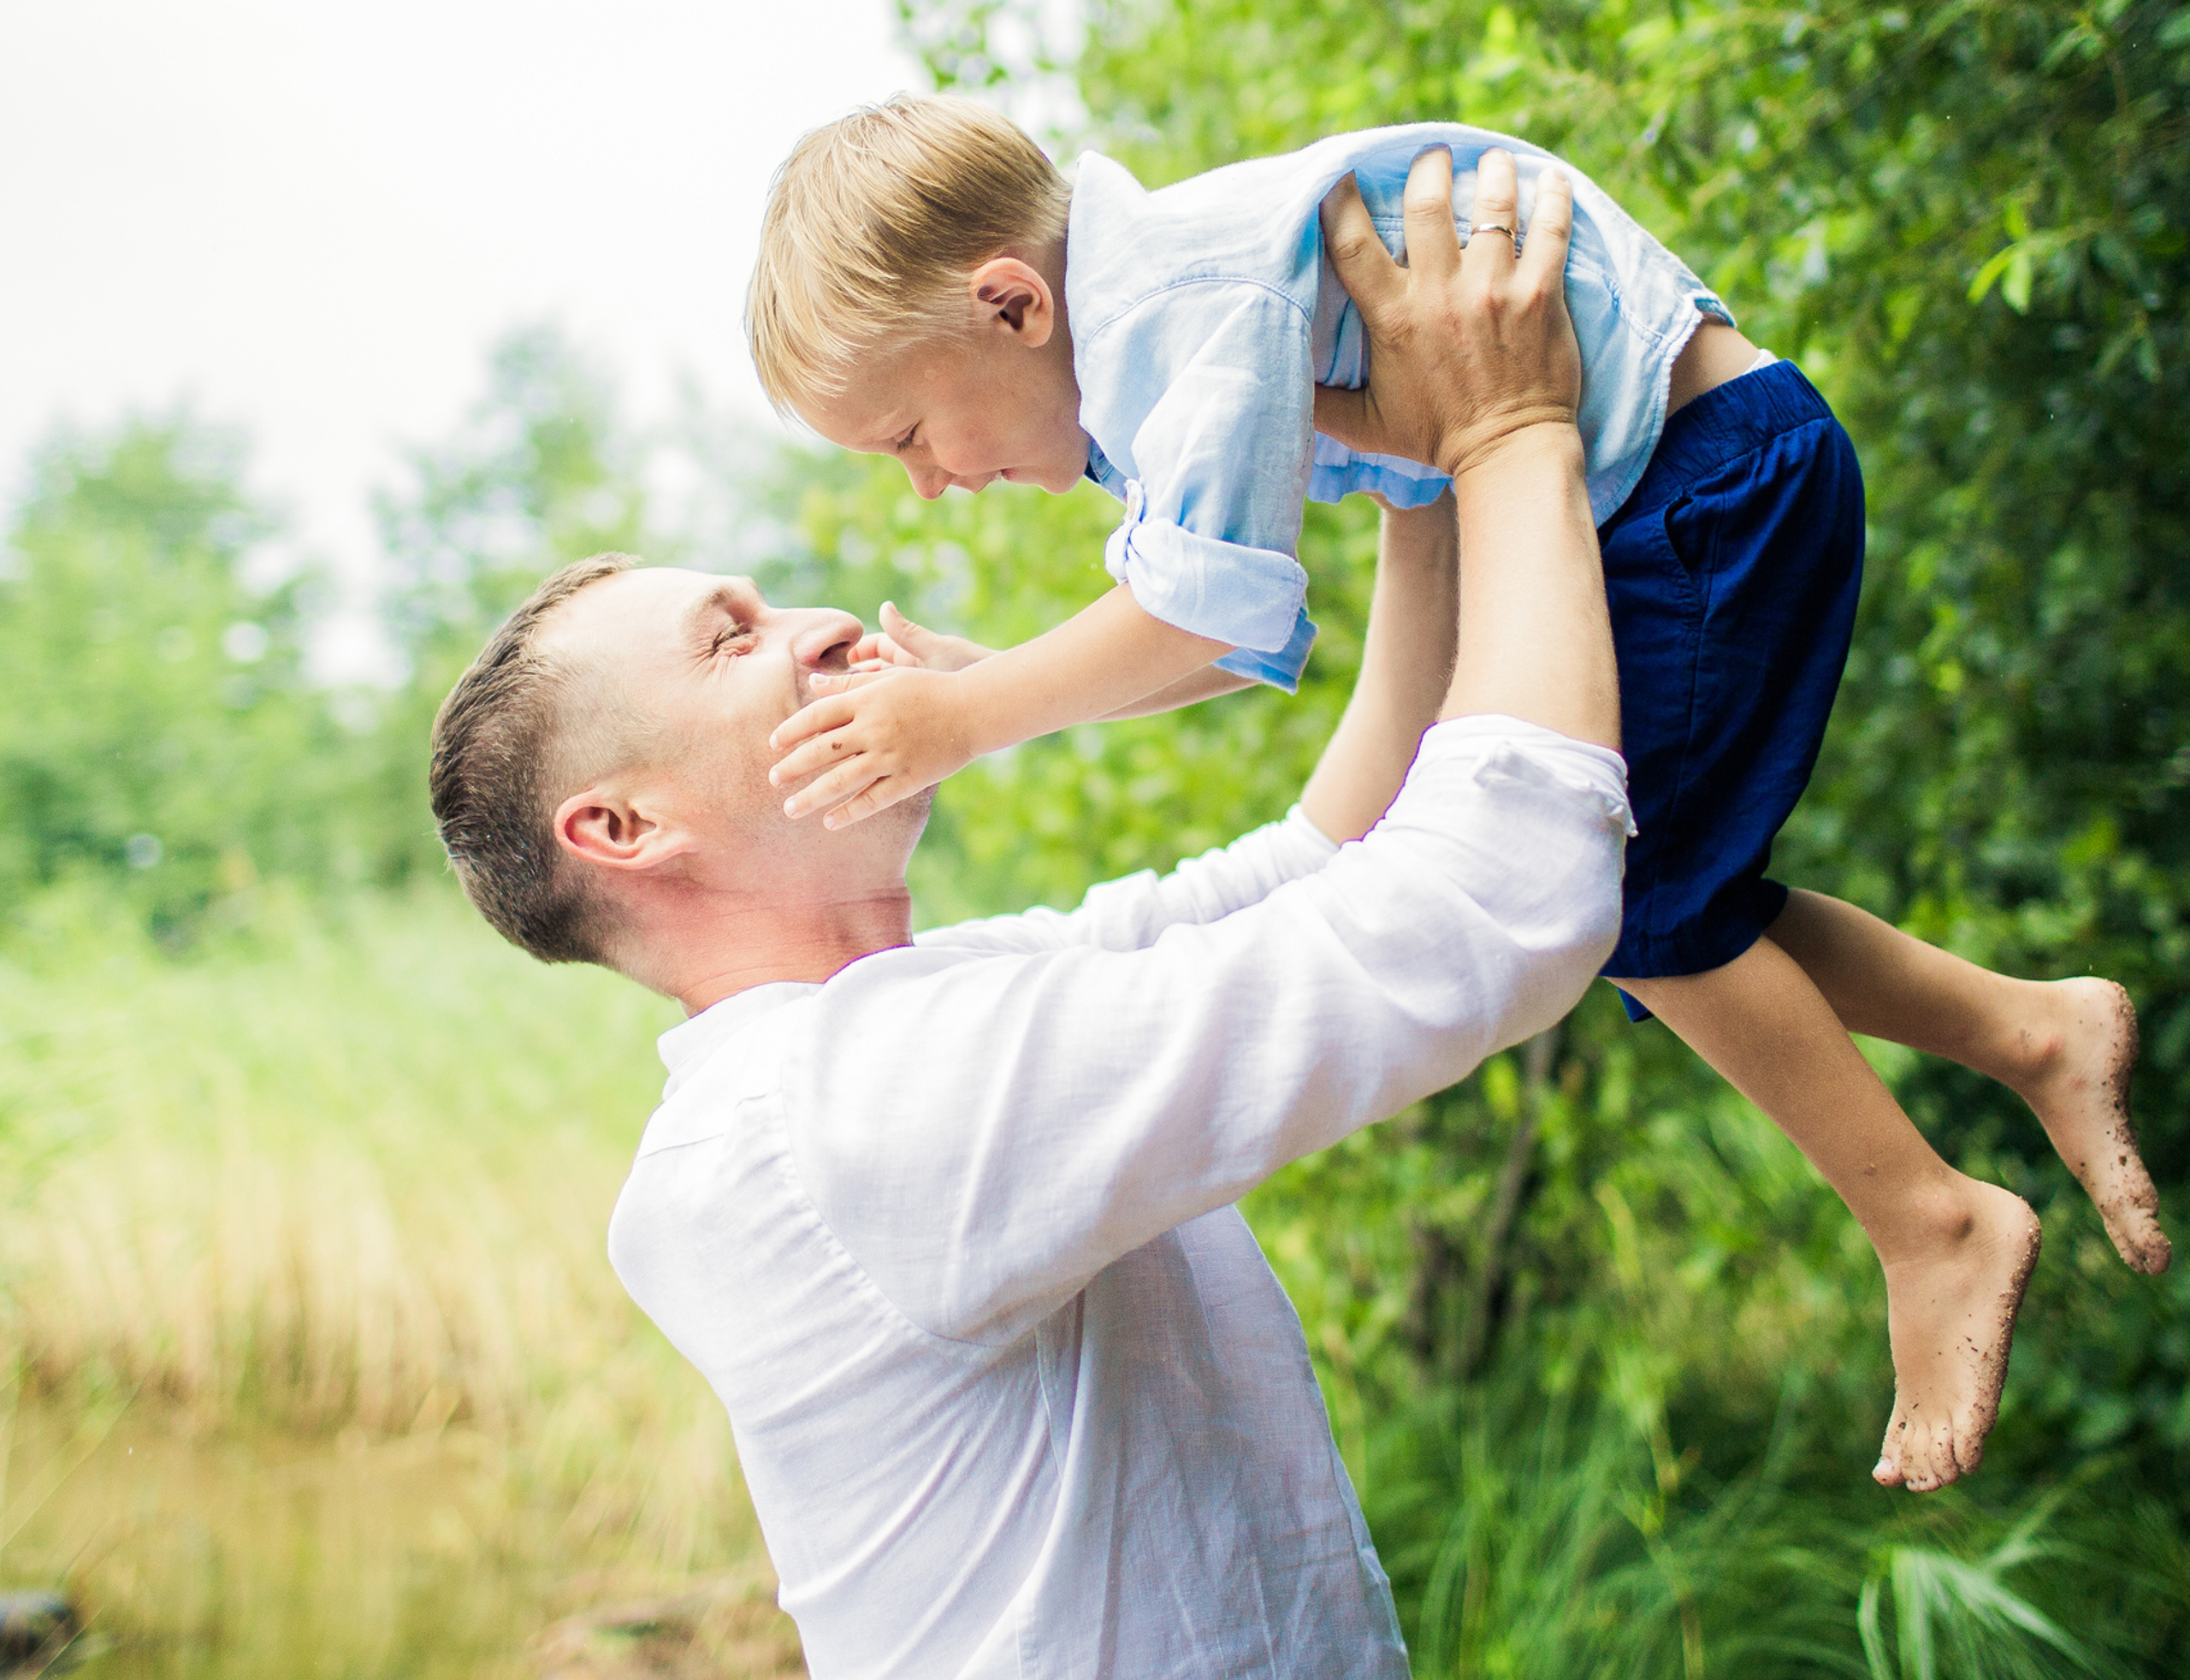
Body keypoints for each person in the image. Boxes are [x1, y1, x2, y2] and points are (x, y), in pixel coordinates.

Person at [743, 98, 2171, 1495]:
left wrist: (973, 714)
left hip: (1696, 483)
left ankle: (1932, 1224)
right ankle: (2032, 1029)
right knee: (1676, 906)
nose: (928, 487)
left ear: (1009, 307)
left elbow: (1191, 616)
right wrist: (999, 684)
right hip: (1676, 481)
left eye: (906, 436)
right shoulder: (1158, 331)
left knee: (1634, 904)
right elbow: (1231, 630)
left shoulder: (1179, 310)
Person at [429, 190, 1627, 1676]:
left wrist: (1419, 480)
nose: (816, 623)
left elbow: (1332, 858)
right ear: (622, 831)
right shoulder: (843, 1116)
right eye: (731, 639)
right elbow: (1493, 895)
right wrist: (1515, 437)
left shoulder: (920, 1019)